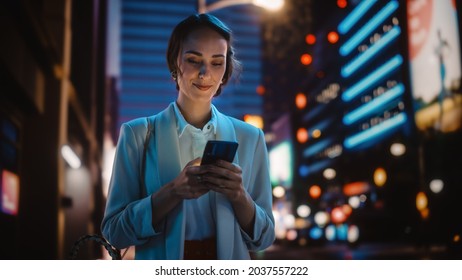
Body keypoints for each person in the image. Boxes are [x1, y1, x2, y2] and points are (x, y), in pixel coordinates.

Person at [101, 13, 275, 260]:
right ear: (175, 63)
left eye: (217, 62)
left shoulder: (250, 138)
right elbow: (115, 232)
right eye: (194, 60)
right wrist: (172, 191)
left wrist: (239, 195)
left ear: (226, 70)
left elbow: (265, 238)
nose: (205, 73)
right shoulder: (137, 134)